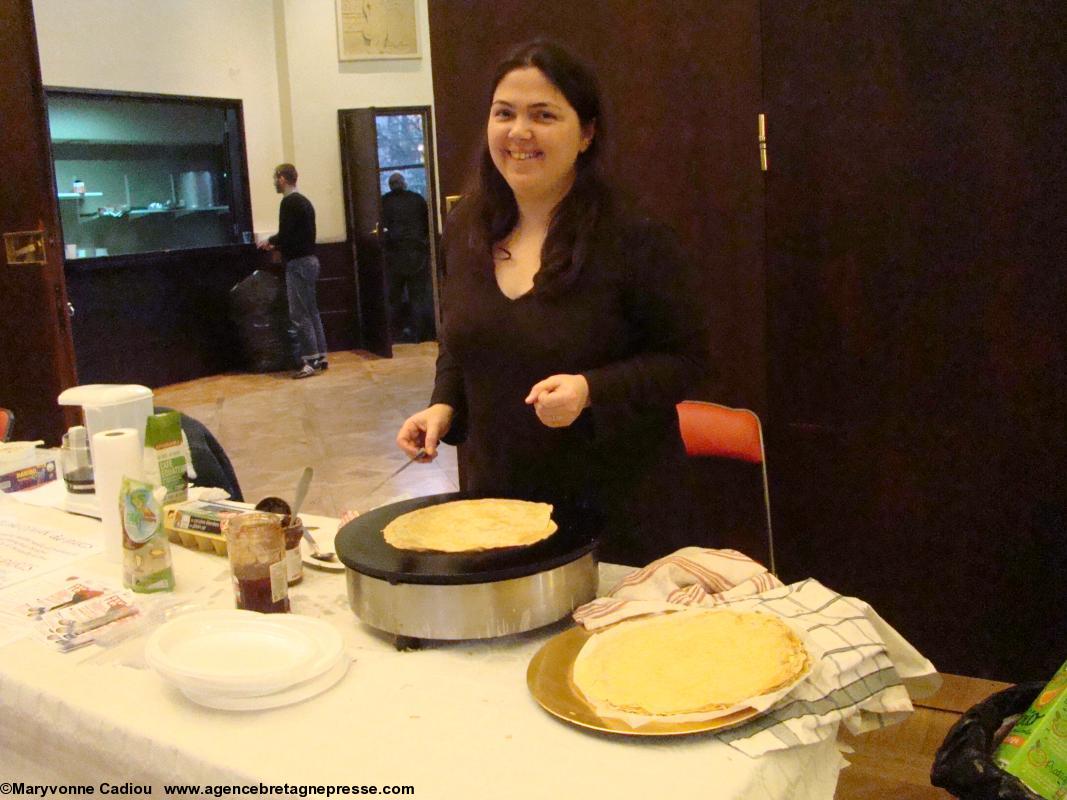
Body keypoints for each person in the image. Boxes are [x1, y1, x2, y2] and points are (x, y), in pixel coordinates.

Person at [395, 41, 713, 565]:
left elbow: (688, 362)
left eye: (544, 115)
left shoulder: (635, 235)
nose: (520, 132)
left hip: (619, 512)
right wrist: (443, 404)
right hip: (498, 504)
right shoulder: (464, 227)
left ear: (586, 133)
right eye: (505, 114)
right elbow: (460, 339)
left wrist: (592, 390)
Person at [258, 163, 328, 378]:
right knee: (312, 310)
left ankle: (310, 359)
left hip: (298, 263)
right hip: (311, 261)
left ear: (281, 178)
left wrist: (269, 241)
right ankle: (321, 355)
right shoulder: (304, 201)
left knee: (299, 313)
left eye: (274, 178)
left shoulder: (289, 202)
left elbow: (287, 235)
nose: (273, 183)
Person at [381, 172, 434, 342]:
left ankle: (393, 336)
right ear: (404, 183)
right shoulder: (417, 199)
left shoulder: (384, 202)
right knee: (418, 296)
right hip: (416, 253)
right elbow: (428, 224)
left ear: (390, 185)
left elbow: (381, 228)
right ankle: (419, 334)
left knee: (393, 297)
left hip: (394, 255)